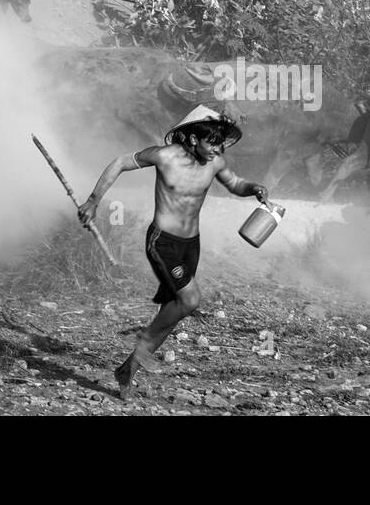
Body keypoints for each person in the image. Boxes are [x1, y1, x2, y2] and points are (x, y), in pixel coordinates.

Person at [77, 105, 269, 397]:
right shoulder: (164, 157)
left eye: (220, 143)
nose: (218, 149)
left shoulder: (215, 162)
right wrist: (93, 201)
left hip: (191, 244)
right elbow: (119, 163)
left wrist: (253, 187)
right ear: (193, 139)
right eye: (212, 142)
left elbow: (235, 183)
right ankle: (144, 341)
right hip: (163, 241)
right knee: (190, 299)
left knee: (174, 311)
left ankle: (127, 370)